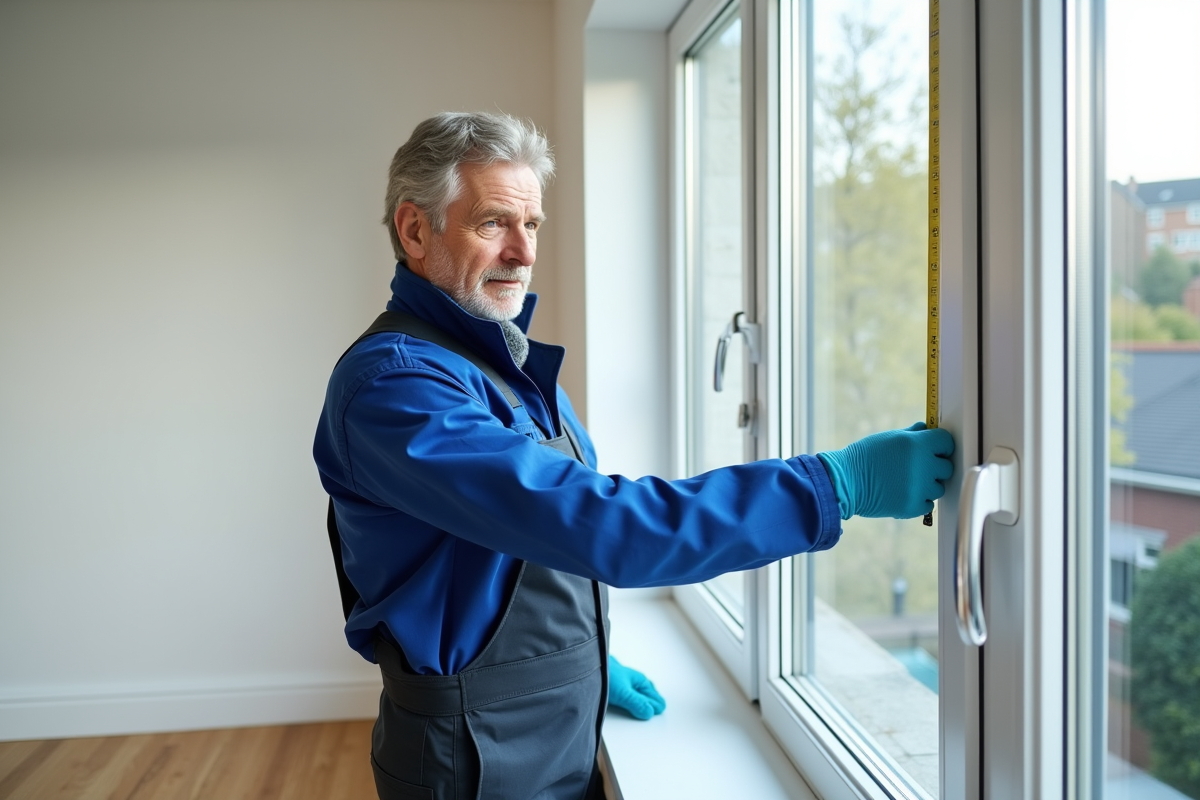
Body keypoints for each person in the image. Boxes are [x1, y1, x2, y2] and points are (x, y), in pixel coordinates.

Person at [313, 111, 954, 800]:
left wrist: (584, 662)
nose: (524, 253)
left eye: (532, 224)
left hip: (553, 724)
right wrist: (833, 485)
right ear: (415, 230)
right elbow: (602, 524)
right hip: (473, 760)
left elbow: (522, 549)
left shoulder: (497, 361)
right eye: (494, 222)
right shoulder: (397, 388)